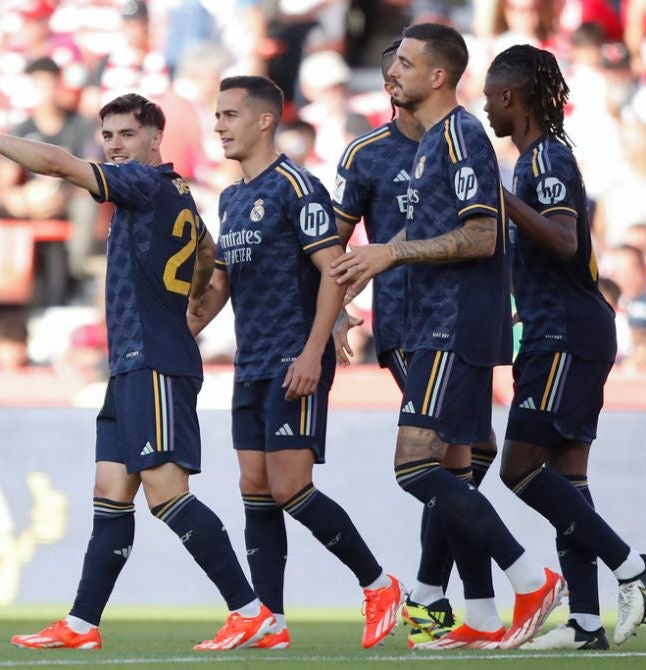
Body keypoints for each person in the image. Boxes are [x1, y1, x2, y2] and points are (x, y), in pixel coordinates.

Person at [0, 93, 275, 651]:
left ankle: (251, 610)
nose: (115, 147)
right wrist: (191, 313)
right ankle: (83, 622)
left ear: (154, 140)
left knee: (166, 494)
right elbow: (211, 255)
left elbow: (60, 164)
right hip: (135, 363)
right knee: (110, 491)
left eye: (126, 135)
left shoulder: (142, 184)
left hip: (154, 364)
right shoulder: (178, 194)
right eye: (108, 137)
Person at [331, 23, 563, 650]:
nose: (391, 71)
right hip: (431, 319)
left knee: (415, 466)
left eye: (404, 62)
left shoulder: (462, 134)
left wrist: (391, 253)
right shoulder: (434, 141)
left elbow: (482, 237)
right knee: (456, 467)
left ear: (437, 76)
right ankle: (482, 617)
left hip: (449, 319)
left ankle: (530, 578)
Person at [187, 75, 403, 651]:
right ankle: (269, 619)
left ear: (263, 120)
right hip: (251, 359)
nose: (218, 125)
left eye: (229, 114)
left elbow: (336, 269)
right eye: (216, 115)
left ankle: (379, 584)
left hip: (292, 356)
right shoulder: (231, 197)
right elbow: (223, 283)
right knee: (254, 486)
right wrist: (185, 330)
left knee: (289, 486)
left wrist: (314, 348)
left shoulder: (296, 188)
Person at [484, 43, 646, 650]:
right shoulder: (534, 160)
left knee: (519, 468)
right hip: (565, 327)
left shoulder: (545, 162)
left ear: (512, 97)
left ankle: (633, 568)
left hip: (563, 331)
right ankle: (587, 623)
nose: (486, 108)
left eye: (491, 97)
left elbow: (564, 240)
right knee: (568, 476)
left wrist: (499, 200)